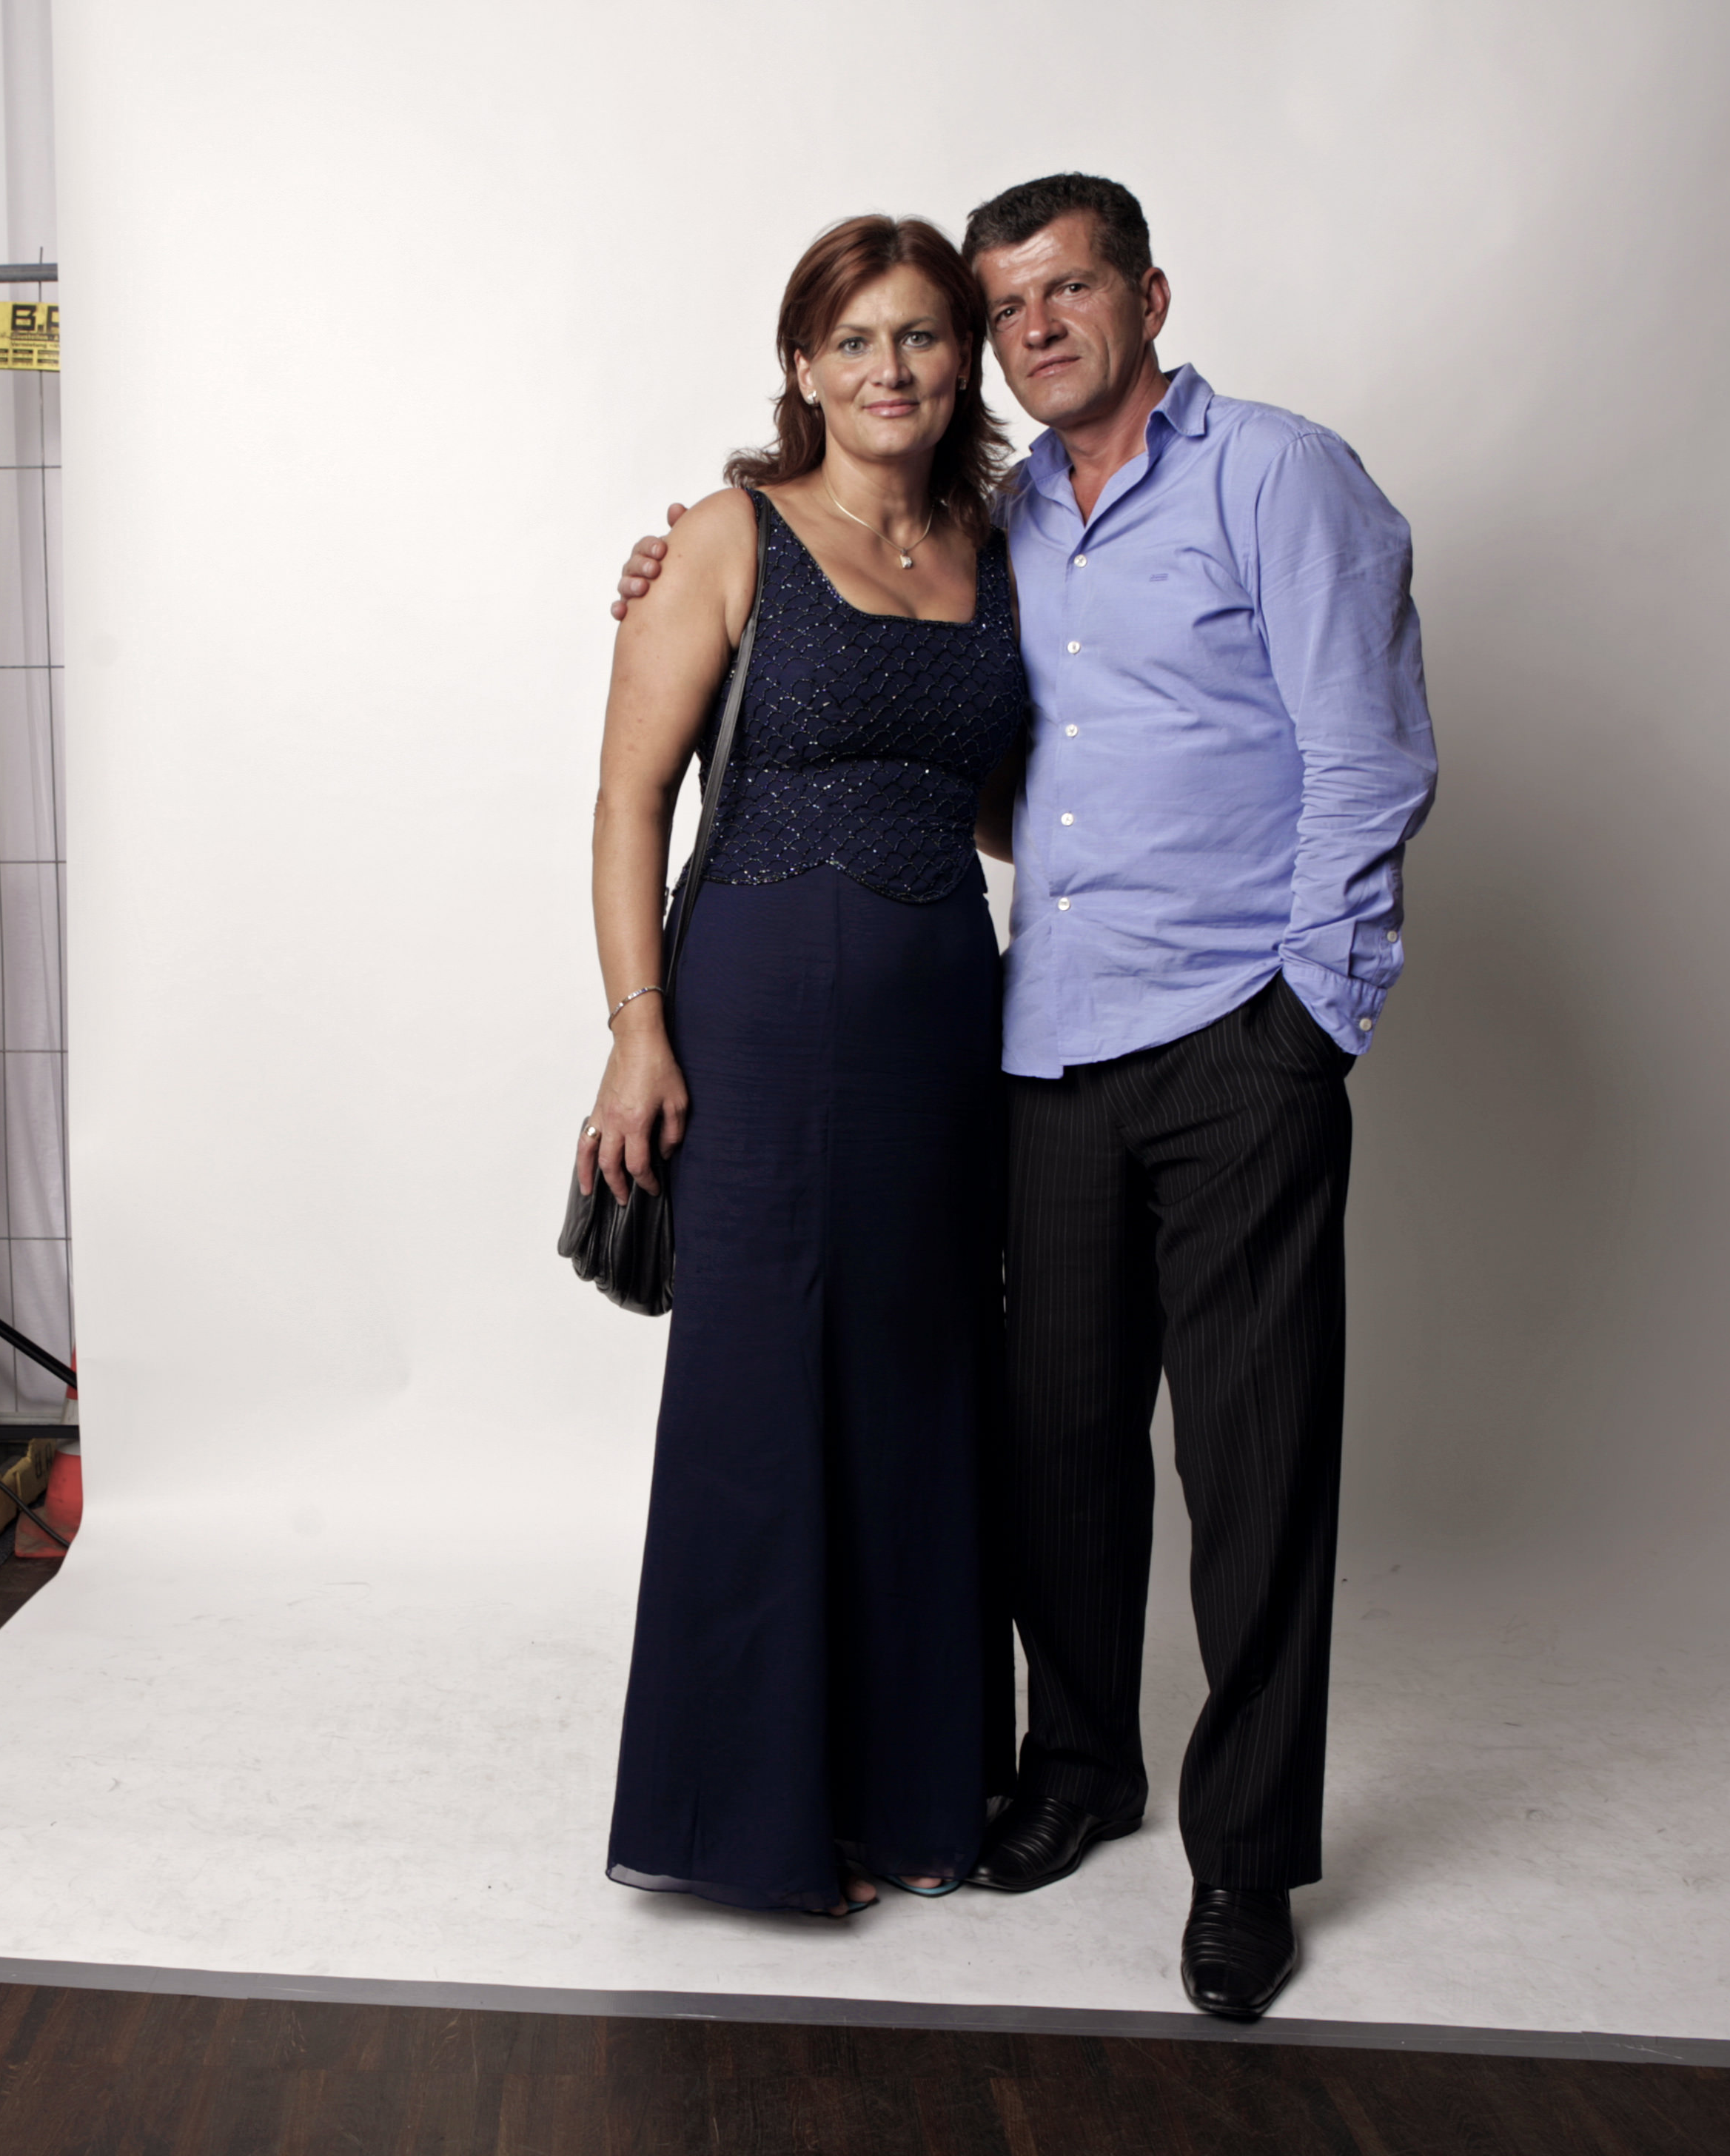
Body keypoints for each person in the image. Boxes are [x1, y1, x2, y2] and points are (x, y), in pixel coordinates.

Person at [613, 173, 1438, 2017]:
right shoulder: (1011, 524)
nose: (1033, 327)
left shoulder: (1273, 476)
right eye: (1009, 305)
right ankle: (1075, 1770)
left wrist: (1314, 1014)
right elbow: (928, 747)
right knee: (1049, 1443)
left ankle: (1246, 1862)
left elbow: (1371, 759)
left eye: (1065, 290)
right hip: (1041, 1043)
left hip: (1232, 1035)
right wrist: (679, 584)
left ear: (1150, 296)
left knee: (1251, 1462)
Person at [585, 213, 1028, 1918]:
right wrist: (637, 1030)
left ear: (960, 360)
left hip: (943, 1025)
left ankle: (911, 1795)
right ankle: (751, 1819)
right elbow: (629, 798)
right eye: (854, 340)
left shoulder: (999, 548)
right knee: (763, 1395)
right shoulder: (728, 538)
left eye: (919, 335)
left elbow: (1003, 802)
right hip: (759, 1026)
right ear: (802, 366)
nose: (889, 368)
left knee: (923, 1387)